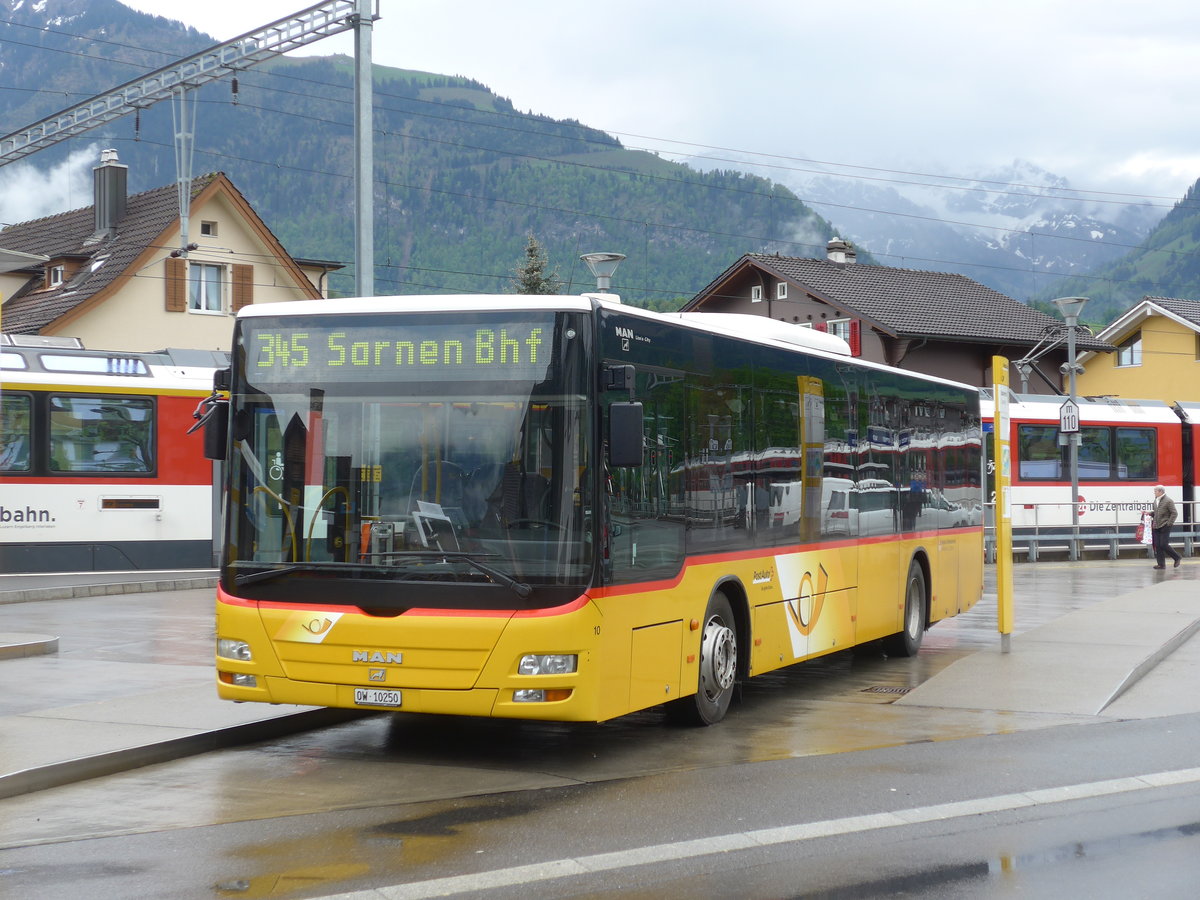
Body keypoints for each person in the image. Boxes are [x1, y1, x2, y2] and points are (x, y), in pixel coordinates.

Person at [1151, 485, 1182, 569]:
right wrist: (1149, 513)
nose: (1154, 492)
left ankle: (1177, 557)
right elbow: (1156, 513)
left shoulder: (1168, 501)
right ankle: (1161, 564)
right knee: (1158, 545)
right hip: (1156, 526)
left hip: (1165, 525)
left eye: (1155, 491)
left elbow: (1174, 513)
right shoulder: (1155, 500)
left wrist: (1169, 523)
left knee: (1164, 544)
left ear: (1161, 491)